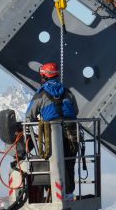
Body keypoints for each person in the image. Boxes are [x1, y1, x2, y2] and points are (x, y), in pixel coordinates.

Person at [26, 62, 79, 196]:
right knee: (69, 161)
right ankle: (68, 193)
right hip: (72, 130)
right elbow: (75, 110)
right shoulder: (67, 92)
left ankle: (54, 192)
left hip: (52, 132)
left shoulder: (41, 94)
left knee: (53, 161)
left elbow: (29, 115)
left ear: (43, 76)